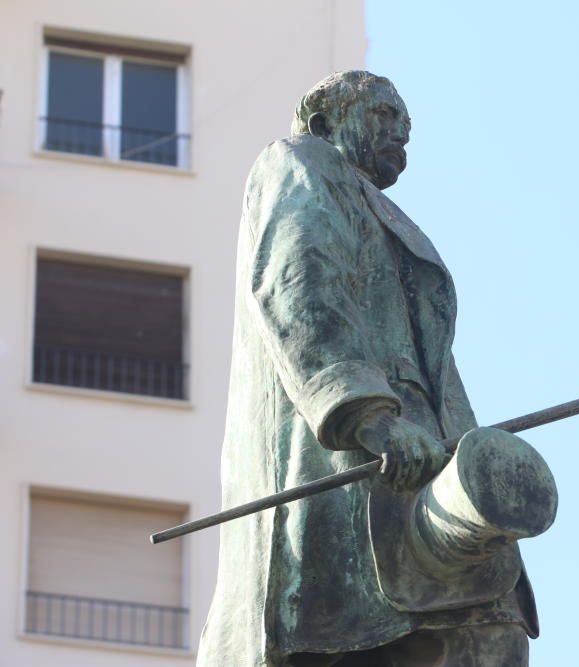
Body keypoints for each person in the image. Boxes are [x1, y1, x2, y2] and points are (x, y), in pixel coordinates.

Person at [197, 71, 543, 667]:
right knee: (404, 637)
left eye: (406, 128)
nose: (399, 136)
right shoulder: (301, 162)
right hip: (354, 463)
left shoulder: (382, 211)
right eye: (383, 116)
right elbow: (300, 286)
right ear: (327, 119)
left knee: (494, 628)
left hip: (424, 468)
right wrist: (370, 417)